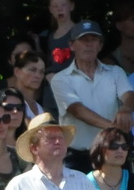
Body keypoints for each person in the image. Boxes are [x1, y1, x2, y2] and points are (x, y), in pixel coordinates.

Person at [50, 23, 133, 166]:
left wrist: (126, 109)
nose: (89, 44)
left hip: (113, 152)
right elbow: (77, 110)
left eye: (93, 39)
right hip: (77, 157)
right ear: (71, 45)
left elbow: (129, 95)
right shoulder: (60, 79)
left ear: (100, 46)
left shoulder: (115, 72)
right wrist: (114, 128)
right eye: (83, 39)